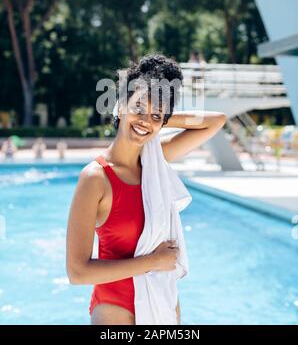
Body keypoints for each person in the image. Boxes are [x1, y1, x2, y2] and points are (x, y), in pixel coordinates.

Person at [66, 53, 227, 325]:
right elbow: (77, 272)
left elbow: (217, 120)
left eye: (155, 116)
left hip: (162, 305)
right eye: (137, 108)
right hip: (114, 309)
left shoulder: (155, 163)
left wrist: (159, 117)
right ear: (119, 106)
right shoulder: (95, 178)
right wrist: (152, 261)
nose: (144, 121)